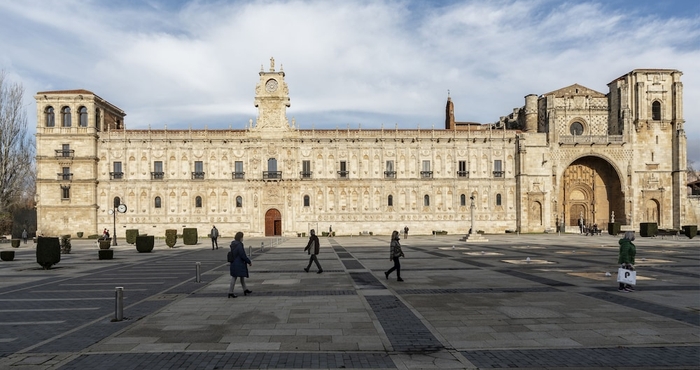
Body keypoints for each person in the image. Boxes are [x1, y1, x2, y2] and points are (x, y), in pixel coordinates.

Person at [228, 231, 252, 298]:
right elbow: (242, 254)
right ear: (240, 237)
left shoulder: (233, 244)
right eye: (242, 237)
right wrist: (248, 261)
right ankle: (230, 292)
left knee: (241, 277)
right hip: (238, 263)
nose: (242, 238)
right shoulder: (239, 245)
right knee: (234, 277)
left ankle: (245, 289)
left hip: (234, 262)